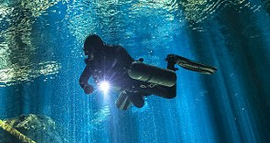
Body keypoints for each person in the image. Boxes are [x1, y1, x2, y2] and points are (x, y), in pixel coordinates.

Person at [78, 34, 216, 110]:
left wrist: (132, 69)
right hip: (128, 88)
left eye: (88, 52)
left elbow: (131, 64)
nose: (87, 55)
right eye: (86, 53)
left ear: (94, 48)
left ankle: (172, 61)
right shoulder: (92, 65)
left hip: (136, 80)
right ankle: (138, 92)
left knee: (170, 94)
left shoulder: (115, 51)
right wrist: (86, 87)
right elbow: (82, 79)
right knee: (138, 105)